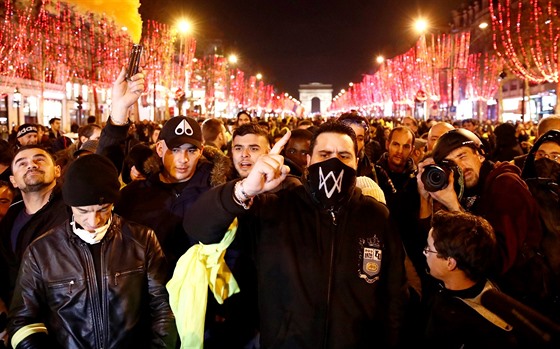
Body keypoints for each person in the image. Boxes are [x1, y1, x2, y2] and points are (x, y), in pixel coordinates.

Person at [184, 122, 409, 348]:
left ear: (356, 163)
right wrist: (244, 190)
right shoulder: (275, 210)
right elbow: (197, 227)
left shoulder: (377, 217)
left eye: (343, 155)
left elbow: (395, 300)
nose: (334, 162)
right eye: (324, 154)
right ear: (308, 161)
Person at [7, 154, 177, 348]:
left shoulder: (142, 239)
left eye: (103, 209)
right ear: (70, 206)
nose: (93, 221)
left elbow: (164, 305)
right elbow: (22, 321)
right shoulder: (41, 251)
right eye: (83, 212)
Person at [417, 128, 550, 313]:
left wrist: (454, 205)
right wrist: (426, 197)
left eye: (463, 156)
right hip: (491, 299)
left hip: (518, 302)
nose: (461, 167)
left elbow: (499, 260)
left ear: (480, 155)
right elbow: (439, 244)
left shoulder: (506, 185)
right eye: (452, 163)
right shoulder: (465, 190)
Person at [422, 210, 522, 348]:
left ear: (450, 263)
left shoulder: (473, 328)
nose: (425, 253)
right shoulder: (485, 284)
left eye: (429, 249)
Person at [0, 145, 69, 309]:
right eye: (22, 163)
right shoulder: (8, 218)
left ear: (57, 171)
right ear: (13, 181)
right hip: (19, 321)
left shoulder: (73, 211)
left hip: (62, 317)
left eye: (40, 159)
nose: (32, 165)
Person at [520, 129, 560, 319]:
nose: (547, 161)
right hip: (534, 284)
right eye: (542, 155)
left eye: (556, 156)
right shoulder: (521, 189)